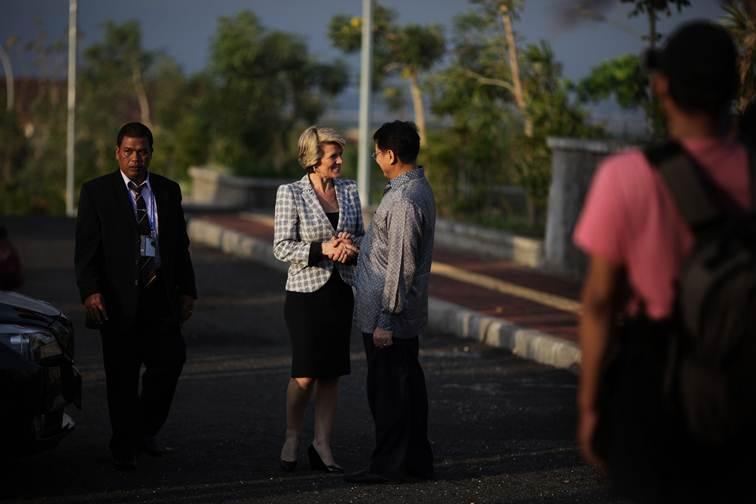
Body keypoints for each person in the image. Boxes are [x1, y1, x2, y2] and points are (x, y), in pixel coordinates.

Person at [573, 21, 754, 502]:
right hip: (743, 373)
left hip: (653, 379)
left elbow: (599, 301)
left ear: (662, 86)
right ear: (733, 86)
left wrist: (591, 404)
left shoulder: (628, 176)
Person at [75, 122, 197, 470]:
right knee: (122, 377)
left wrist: (188, 290)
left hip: (161, 297)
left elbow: (179, 246)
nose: (135, 158)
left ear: (151, 153)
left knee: (170, 362)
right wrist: (90, 292)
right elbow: (86, 251)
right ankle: (124, 443)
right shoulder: (97, 193)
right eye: (128, 151)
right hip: (118, 301)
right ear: (117, 153)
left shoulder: (168, 191)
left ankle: (145, 429)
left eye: (142, 151)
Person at [346, 120, 435, 484]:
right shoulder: (414, 190)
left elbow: (401, 265)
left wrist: (385, 319)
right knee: (406, 389)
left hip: (388, 316)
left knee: (389, 393)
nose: (376, 159)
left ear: (391, 154)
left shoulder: (403, 199)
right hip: (395, 313)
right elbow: (390, 251)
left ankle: (388, 466)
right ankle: (414, 462)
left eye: (377, 152)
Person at [273, 126, 363, 473]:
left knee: (331, 373)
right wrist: (322, 248)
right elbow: (281, 246)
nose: (340, 160)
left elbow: (362, 237)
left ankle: (322, 443)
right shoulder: (290, 193)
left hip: (341, 290)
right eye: (333, 156)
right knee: (306, 372)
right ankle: (293, 435)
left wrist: (351, 248)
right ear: (313, 159)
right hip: (304, 294)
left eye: (340, 154)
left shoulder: (350, 190)